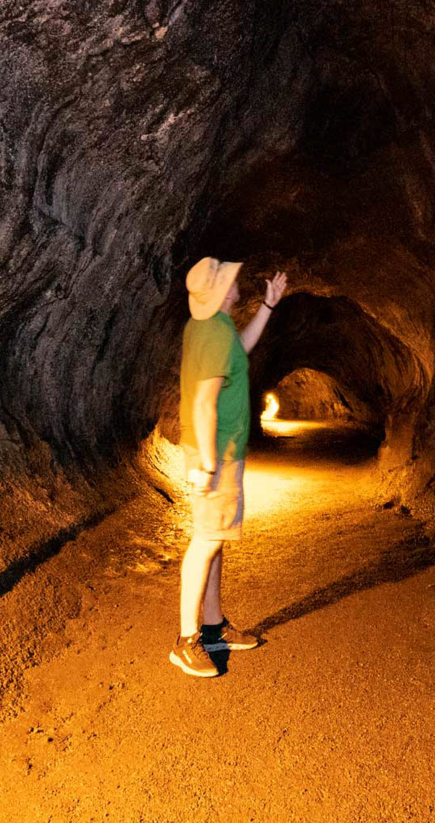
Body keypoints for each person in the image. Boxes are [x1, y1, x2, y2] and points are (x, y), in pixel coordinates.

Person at [169, 257, 288, 677]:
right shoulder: (213, 333)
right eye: (229, 279)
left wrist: (268, 307)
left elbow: (240, 350)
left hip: (217, 453)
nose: (236, 281)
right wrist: (206, 464)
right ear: (221, 292)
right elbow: (203, 401)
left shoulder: (209, 328)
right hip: (215, 455)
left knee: (214, 539)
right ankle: (187, 641)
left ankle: (214, 626)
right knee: (204, 541)